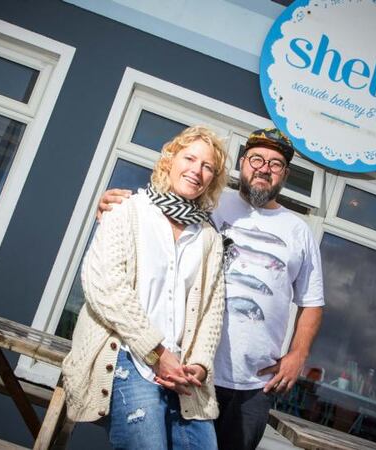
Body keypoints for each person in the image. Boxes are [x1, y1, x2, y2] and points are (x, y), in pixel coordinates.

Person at [98, 127, 325, 450]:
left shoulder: (299, 230)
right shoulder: (209, 203)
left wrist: (298, 354)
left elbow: (312, 301)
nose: (264, 168)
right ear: (242, 163)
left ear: (285, 175)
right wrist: (112, 204)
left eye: (275, 164)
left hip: (254, 382)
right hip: (189, 368)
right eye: (256, 159)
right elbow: (157, 212)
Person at [63, 126, 229, 450]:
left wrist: (199, 364)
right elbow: (105, 288)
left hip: (181, 372)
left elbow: (212, 311)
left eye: (207, 166)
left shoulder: (209, 237)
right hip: (126, 356)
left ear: (213, 179)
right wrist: (157, 354)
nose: (196, 170)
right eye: (189, 158)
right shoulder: (128, 210)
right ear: (170, 159)